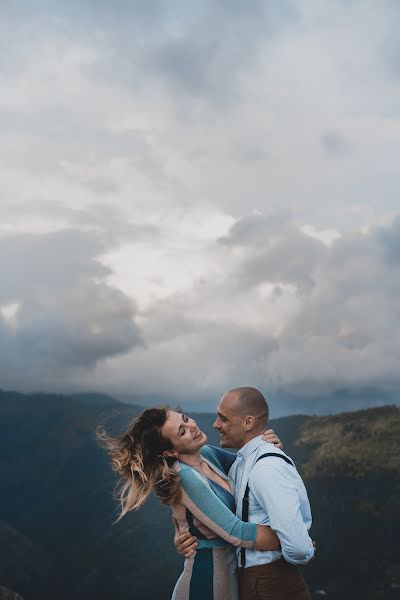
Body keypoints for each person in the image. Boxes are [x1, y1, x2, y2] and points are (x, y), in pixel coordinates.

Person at [97, 406, 283, 600]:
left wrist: (268, 445)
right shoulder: (185, 478)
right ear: (170, 452)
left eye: (185, 419)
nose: (191, 426)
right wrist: (288, 539)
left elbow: (253, 464)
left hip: (228, 573)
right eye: (182, 431)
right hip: (208, 582)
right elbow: (235, 531)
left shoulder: (208, 455)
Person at [175, 387, 314, 600]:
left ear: (248, 423)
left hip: (271, 581)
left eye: (223, 419)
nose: (215, 425)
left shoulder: (266, 468)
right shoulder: (239, 463)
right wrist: (188, 531)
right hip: (249, 578)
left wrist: (301, 544)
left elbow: (297, 547)